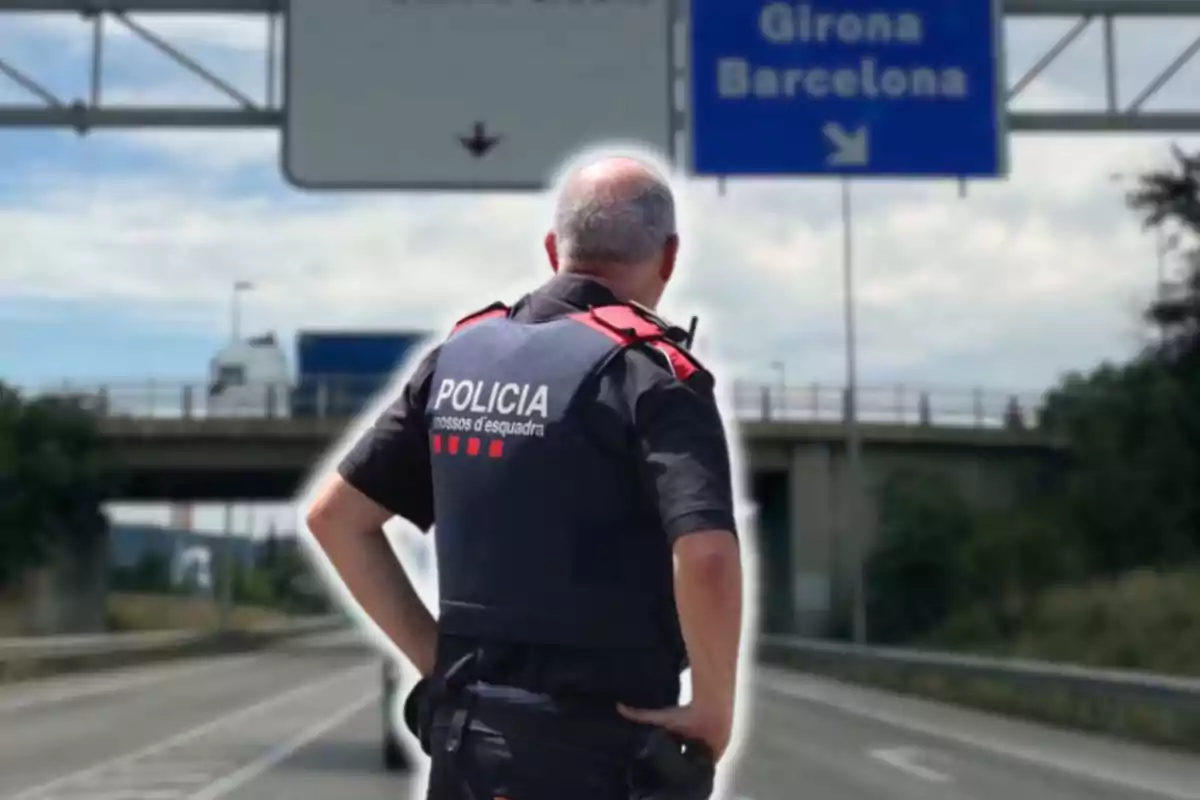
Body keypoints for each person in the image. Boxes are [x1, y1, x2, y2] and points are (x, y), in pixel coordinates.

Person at [305, 155, 744, 799]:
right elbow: (705, 557)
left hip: (469, 750)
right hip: (603, 753)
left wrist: (439, 662)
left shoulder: (456, 360)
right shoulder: (654, 375)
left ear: (552, 249)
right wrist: (714, 708)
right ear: (669, 256)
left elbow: (336, 519)